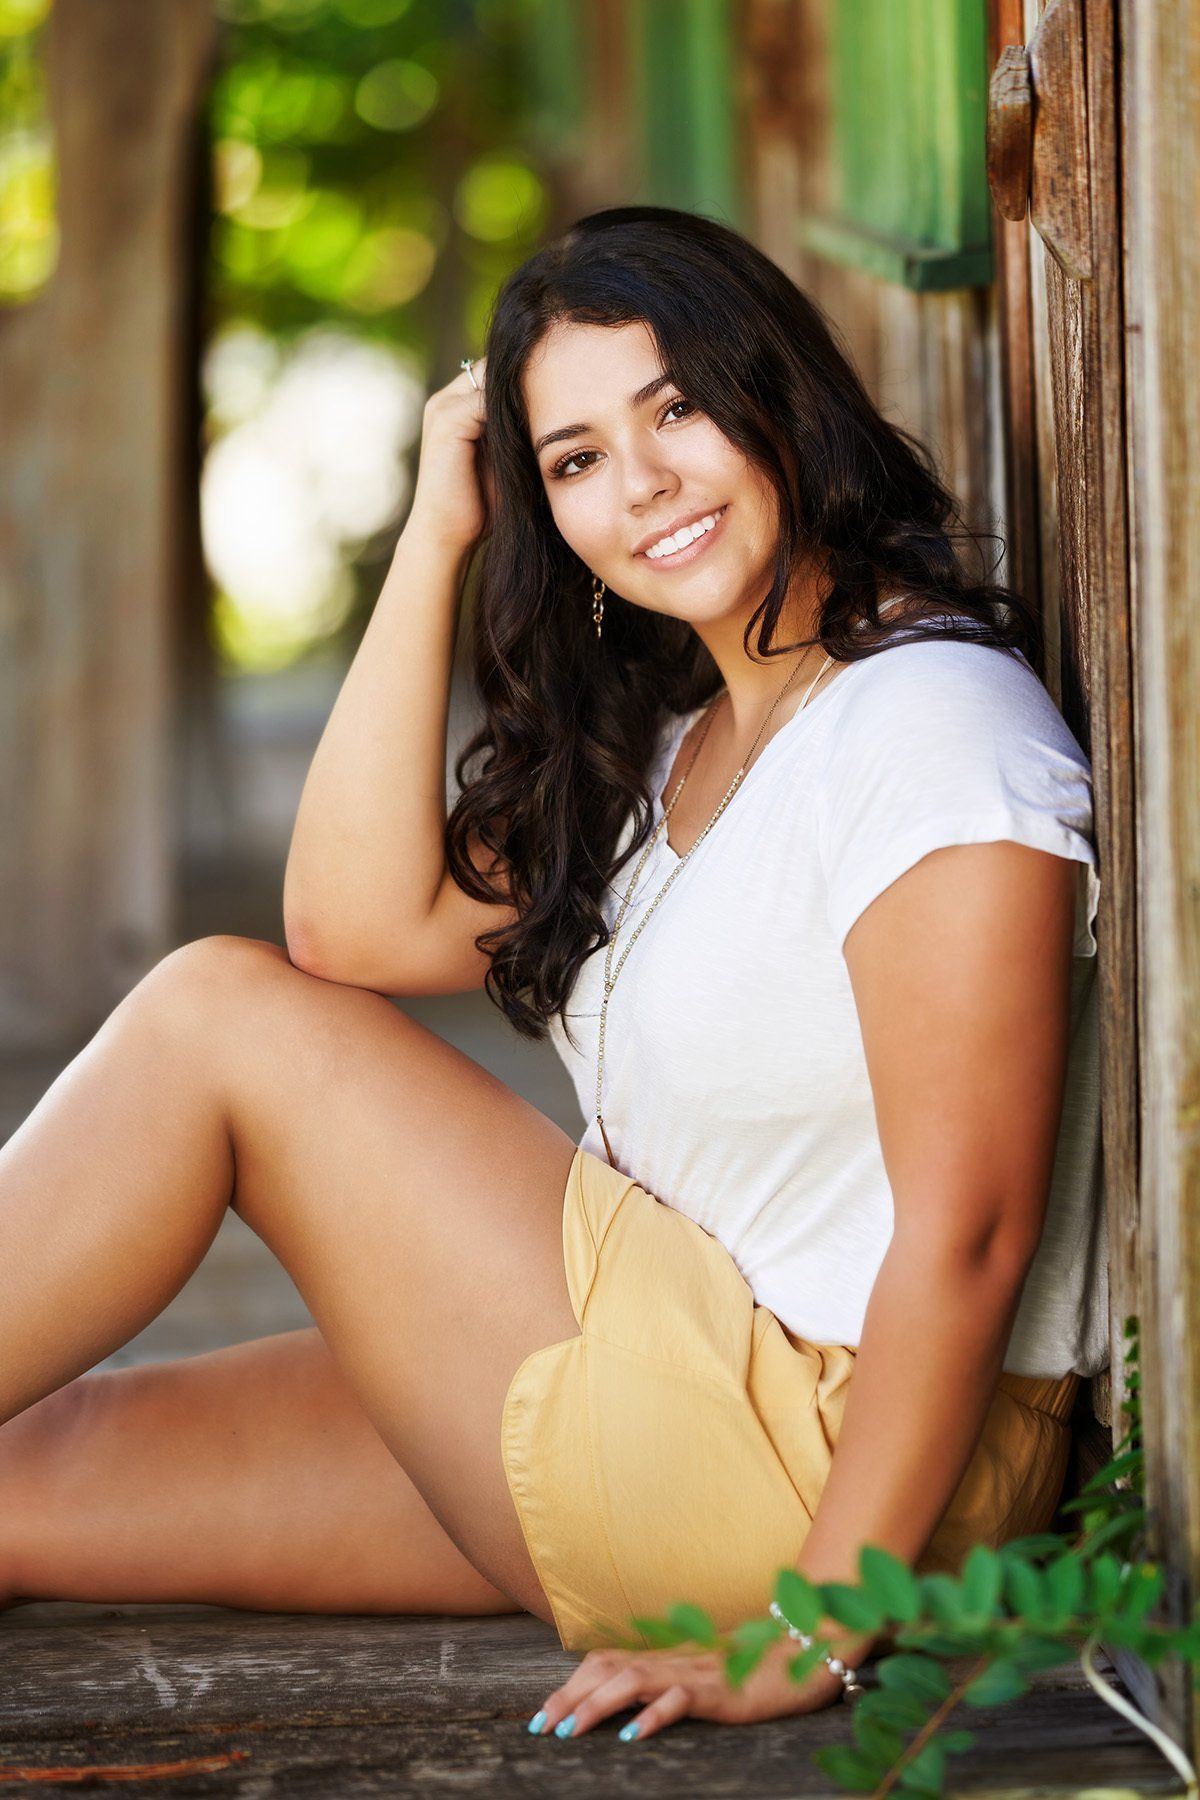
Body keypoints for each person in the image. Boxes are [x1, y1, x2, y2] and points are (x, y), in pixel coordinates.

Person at [0, 206, 1106, 1746]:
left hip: (812, 1473)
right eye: (574, 459)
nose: (641, 482)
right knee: (32, 1471)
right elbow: (352, 926)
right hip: (654, 1379)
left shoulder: (928, 734)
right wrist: (434, 536)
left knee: (215, 1014)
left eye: (676, 408)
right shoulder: (685, 746)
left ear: (780, 395)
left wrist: (820, 1631)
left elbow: (971, 1231)